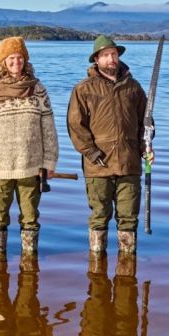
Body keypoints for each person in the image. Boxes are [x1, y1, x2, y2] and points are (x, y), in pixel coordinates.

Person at [0, 37, 58, 256]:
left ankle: (30, 267)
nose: (16, 62)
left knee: (30, 219)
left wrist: (50, 161)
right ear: (3, 61)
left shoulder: (37, 89)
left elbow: (48, 128)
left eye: (20, 57)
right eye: (11, 58)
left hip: (31, 166)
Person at [67, 35, 150, 255]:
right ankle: (97, 268)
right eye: (105, 55)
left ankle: (127, 267)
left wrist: (146, 146)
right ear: (96, 60)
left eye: (113, 54)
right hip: (98, 166)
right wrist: (92, 153)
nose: (111, 59)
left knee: (129, 219)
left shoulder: (133, 87)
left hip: (129, 163)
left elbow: (146, 122)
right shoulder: (83, 89)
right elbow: (75, 126)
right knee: (99, 217)